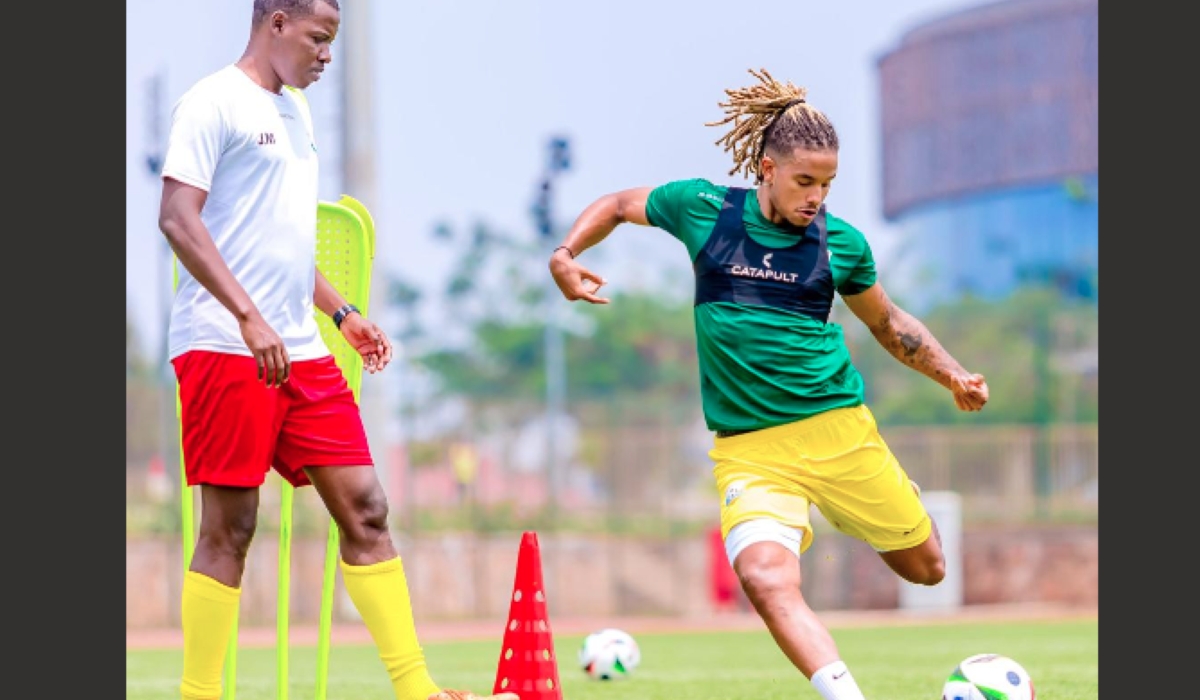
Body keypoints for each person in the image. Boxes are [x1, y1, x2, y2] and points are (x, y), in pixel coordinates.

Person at [547, 68, 989, 700]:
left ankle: (894, 499)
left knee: (927, 570)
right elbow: (619, 205)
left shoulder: (840, 244)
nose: (816, 197)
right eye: (805, 180)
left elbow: (889, 324)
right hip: (751, 452)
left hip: (839, 433)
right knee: (763, 577)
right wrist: (567, 254)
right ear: (766, 166)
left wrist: (952, 375)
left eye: (828, 184)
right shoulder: (704, 211)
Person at [157, 2, 517, 700]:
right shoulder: (211, 102)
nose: (326, 55)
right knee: (231, 528)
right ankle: (198, 694)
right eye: (319, 39)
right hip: (224, 346)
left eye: (334, 43)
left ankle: (417, 691)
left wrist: (341, 311)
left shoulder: (296, 113)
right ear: (278, 22)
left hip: (301, 349)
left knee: (367, 508)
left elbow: (278, 238)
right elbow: (177, 217)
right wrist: (248, 317)